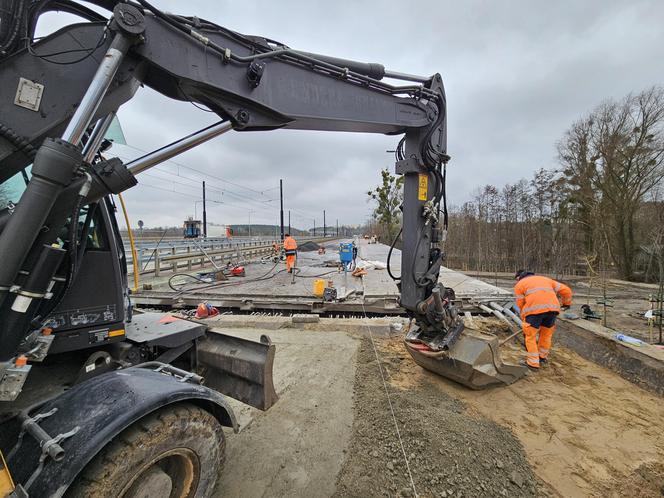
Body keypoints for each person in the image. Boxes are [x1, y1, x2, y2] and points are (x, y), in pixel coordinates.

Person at [513, 270, 573, 370]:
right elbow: (567, 291)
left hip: (534, 312)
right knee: (546, 335)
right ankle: (542, 357)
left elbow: (520, 304)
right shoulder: (546, 280)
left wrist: (524, 318)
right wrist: (566, 304)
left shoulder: (520, 284)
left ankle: (533, 363)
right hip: (553, 311)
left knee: (530, 336)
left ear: (519, 277)